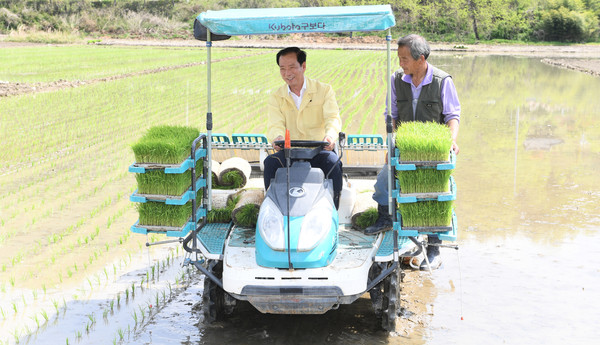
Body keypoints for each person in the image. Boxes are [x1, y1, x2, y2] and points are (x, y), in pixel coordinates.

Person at [363, 34, 460, 271]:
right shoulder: (397, 79)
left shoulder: (442, 80)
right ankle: (385, 217)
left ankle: (434, 244)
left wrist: (450, 141)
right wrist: (391, 144)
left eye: (405, 59)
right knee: (386, 178)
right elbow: (392, 114)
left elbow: (452, 115)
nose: (401, 63)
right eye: (399, 58)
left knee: (434, 193)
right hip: (404, 146)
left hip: (432, 152)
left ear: (421, 59)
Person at [263, 47, 343, 208]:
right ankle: (274, 208)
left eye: (292, 67)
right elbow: (275, 124)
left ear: (303, 66)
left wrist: (330, 136)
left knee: (333, 163)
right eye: (282, 69)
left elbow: (332, 118)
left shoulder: (324, 90)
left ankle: (333, 207)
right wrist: (278, 137)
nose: (287, 73)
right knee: (270, 163)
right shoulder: (276, 97)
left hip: (318, 151)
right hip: (288, 152)